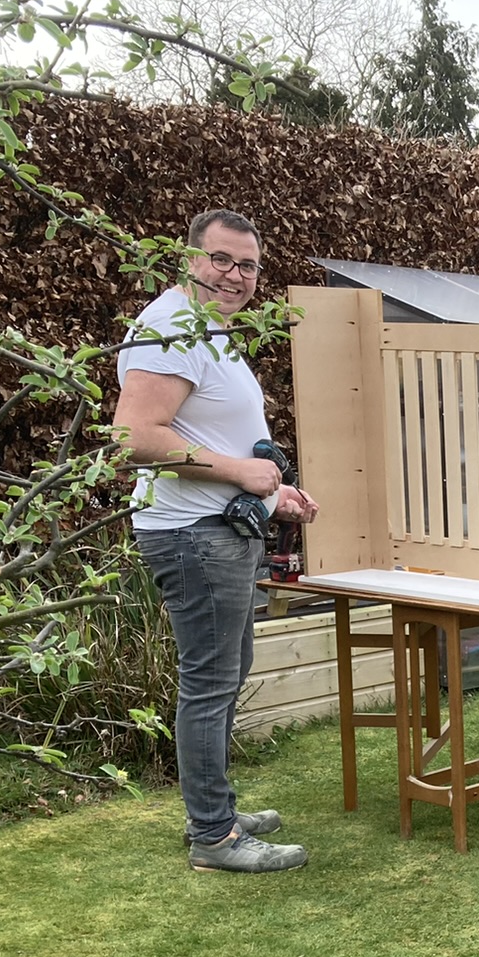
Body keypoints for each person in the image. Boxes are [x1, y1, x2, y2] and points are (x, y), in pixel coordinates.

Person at [113, 209, 320, 872]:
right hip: (193, 537)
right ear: (190, 260)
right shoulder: (172, 327)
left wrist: (271, 493)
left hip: (218, 527)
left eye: (249, 264)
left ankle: (215, 809)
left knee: (223, 677)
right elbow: (135, 437)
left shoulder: (207, 330)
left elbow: (206, 434)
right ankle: (213, 837)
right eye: (222, 259)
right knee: (209, 683)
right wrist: (239, 471)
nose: (235, 274)